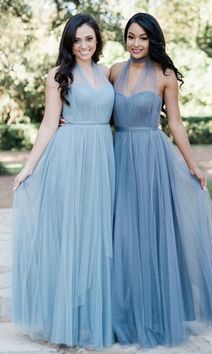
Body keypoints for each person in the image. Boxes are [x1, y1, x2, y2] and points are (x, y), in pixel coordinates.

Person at [110, 12, 212, 348]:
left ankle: (154, 313)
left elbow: (175, 124)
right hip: (119, 156)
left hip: (152, 159)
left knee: (151, 236)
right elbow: (101, 113)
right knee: (121, 236)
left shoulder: (164, 75)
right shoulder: (113, 71)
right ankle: (122, 313)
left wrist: (193, 164)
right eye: (131, 36)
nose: (136, 43)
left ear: (153, 39)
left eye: (143, 37)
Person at [12, 14, 115, 350]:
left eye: (89, 39)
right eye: (77, 40)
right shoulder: (58, 75)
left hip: (103, 157)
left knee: (98, 235)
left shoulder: (107, 72)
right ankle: (66, 317)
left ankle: (93, 313)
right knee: (72, 234)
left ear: (97, 40)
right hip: (70, 157)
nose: (84, 45)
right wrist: (28, 167)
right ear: (68, 42)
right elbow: (47, 124)